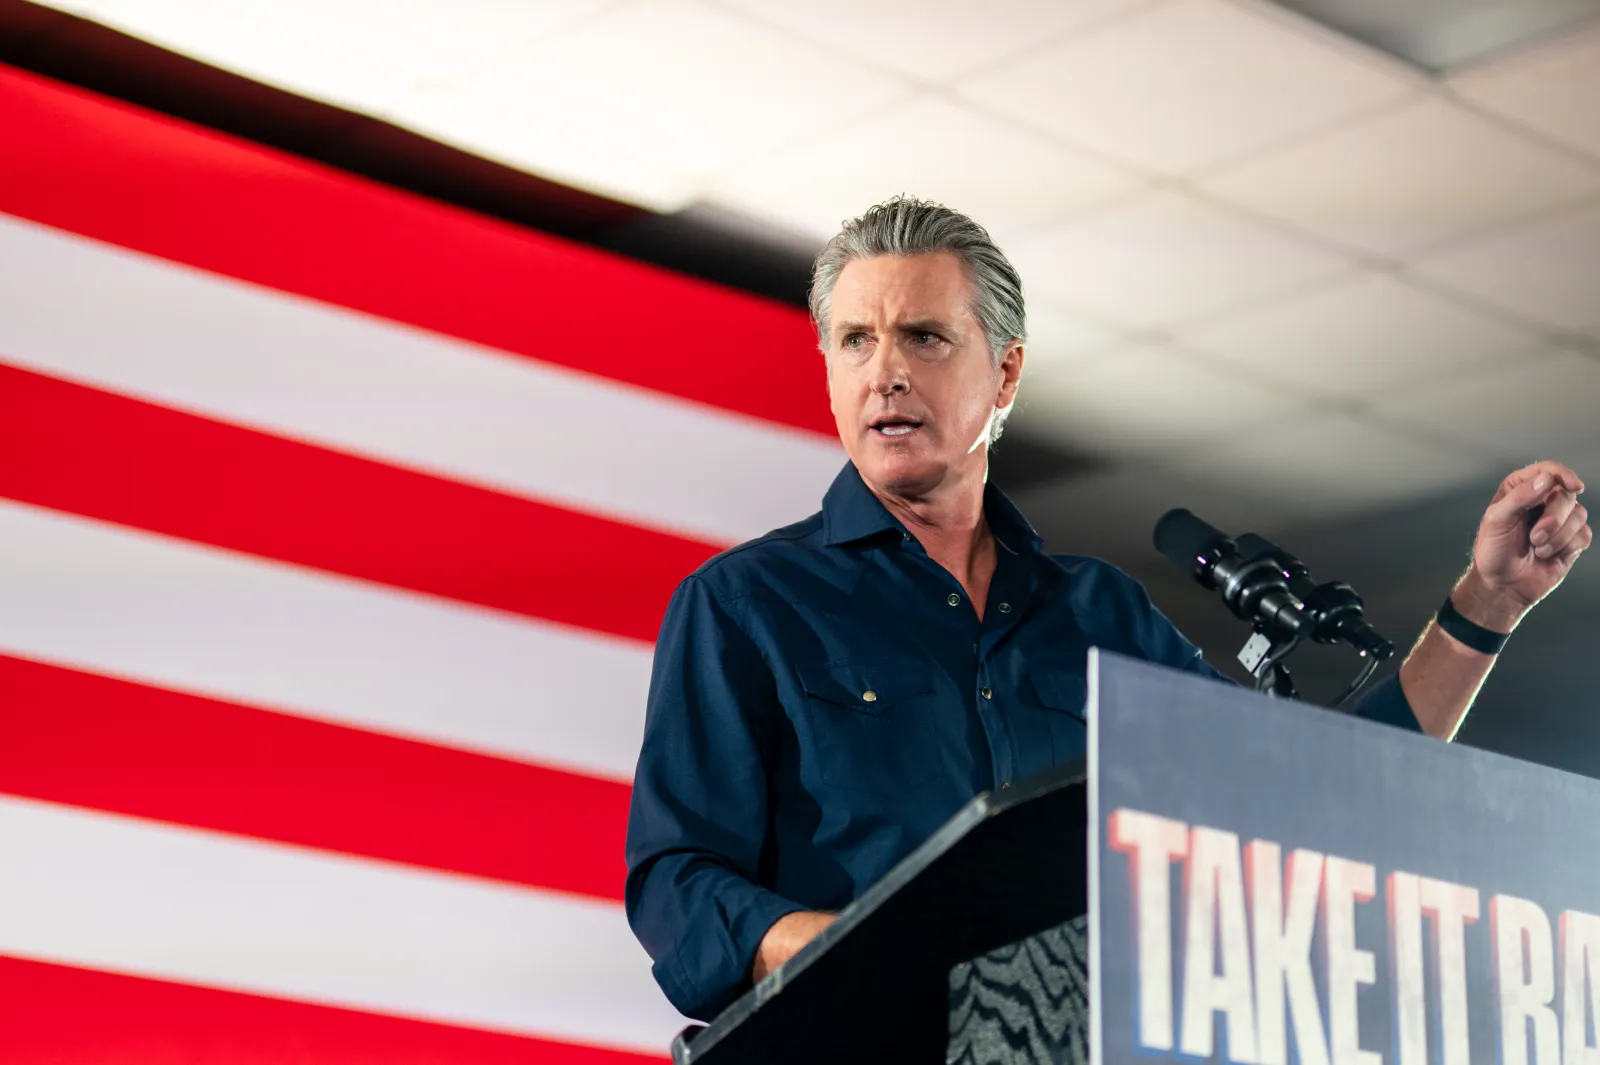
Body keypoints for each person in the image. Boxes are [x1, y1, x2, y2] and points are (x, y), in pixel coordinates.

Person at [623, 196, 1591, 1023]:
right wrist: (851, 951)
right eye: (854, 340)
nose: (885, 371)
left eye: (924, 336)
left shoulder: (1097, 613)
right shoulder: (747, 604)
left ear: (1005, 373)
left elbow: (1317, 800)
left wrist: (1488, 602)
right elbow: (675, 882)